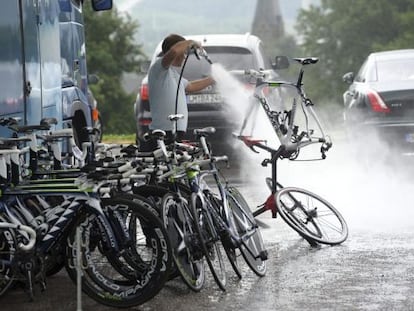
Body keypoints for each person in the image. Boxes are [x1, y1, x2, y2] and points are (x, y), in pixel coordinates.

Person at [144, 34, 215, 150]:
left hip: (175, 133)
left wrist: (213, 79)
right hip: (162, 133)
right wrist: (191, 42)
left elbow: (191, 86)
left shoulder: (173, 74)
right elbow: (174, 51)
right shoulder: (160, 68)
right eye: (184, 52)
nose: (184, 56)